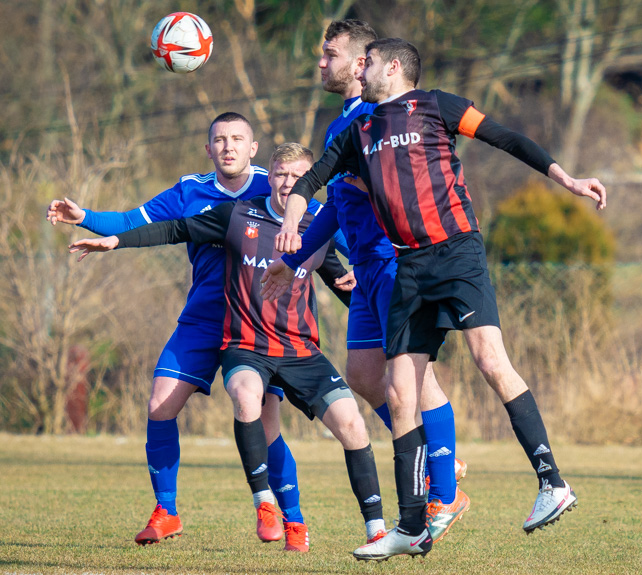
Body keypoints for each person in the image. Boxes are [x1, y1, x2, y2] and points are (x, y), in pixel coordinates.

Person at [269, 38, 606, 560]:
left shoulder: (436, 105)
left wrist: (566, 178)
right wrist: (292, 223)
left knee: (490, 360)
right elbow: (311, 184)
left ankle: (552, 483)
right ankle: (412, 526)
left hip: (456, 253)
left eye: (370, 64)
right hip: (410, 267)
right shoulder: (359, 131)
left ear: (394, 67)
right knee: (399, 392)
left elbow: (506, 138)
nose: (362, 72)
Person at [45, 113, 350, 550]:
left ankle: (293, 520)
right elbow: (136, 222)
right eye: (219, 140)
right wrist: (86, 217)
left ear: (253, 147)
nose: (228, 146)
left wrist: (361, 278)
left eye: (237, 139)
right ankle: (167, 511)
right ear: (208, 148)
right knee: (158, 404)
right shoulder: (190, 190)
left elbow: (326, 235)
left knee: (266, 424)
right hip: (205, 319)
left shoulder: (281, 184)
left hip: (256, 326)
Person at [261, 20, 469, 545]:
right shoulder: (343, 126)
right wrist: (299, 260)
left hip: (397, 263)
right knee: (362, 372)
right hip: (369, 268)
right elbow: (338, 205)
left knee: (415, 382)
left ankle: (444, 489)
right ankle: (427, 450)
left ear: (361, 64)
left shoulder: (381, 120)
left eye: (329, 54)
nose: (320, 63)